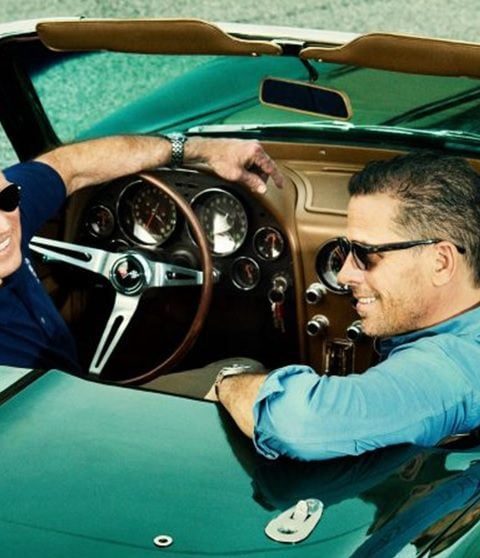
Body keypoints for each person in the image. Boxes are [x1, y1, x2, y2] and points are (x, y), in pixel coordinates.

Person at [209, 150, 480, 461]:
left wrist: (229, 378)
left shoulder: (454, 368)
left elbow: (303, 421)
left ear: (441, 262)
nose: (343, 274)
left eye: (366, 255)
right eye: (345, 249)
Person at [0, 134, 283, 373]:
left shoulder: (14, 214)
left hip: (69, 376)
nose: (5, 227)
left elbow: (71, 165)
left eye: (7, 198)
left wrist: (206, 149)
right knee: (240, 371)